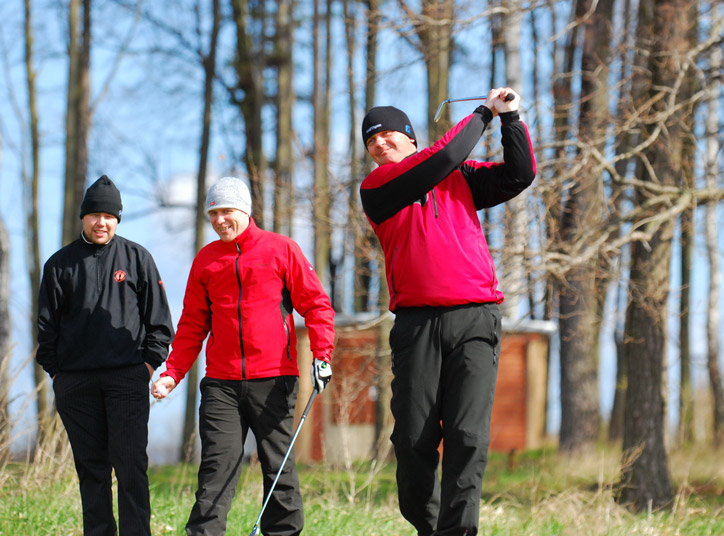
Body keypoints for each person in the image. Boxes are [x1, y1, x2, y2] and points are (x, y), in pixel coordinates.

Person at [359, 88, 536, 536]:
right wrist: (483, 113)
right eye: (371, 140)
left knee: (468, 436)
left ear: (411, 137)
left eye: (389, 134)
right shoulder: (378, 188)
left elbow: (519, 175)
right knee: (413, 441)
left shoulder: (460, 176)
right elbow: (442, 157)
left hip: (476, 317)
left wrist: (511, 118)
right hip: (416, 326)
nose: (380, 143)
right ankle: (431, 526)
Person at [151, 176, 335, 536]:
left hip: (274, 379)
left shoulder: (281, 249)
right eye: (214, 213)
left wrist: (322, 353)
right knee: (216, 470)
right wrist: (173, 373)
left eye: (227, 211)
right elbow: (191, 325)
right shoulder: (205, 261)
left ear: (245, 211)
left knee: (278, 469)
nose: (220, 220)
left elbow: (316, 305)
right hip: (222, 384)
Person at [36, 175, 175, 536]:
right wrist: (58, 374)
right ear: (83, 217)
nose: (102, 222)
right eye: (95, 214)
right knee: (91, 469)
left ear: (118, 219)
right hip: (76, 385)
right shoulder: (59, 265)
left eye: (110, 215)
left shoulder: (137, 258)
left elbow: (160, 323)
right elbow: (45, 328)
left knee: (131, 467)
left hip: (127, 379)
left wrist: (145, 366)